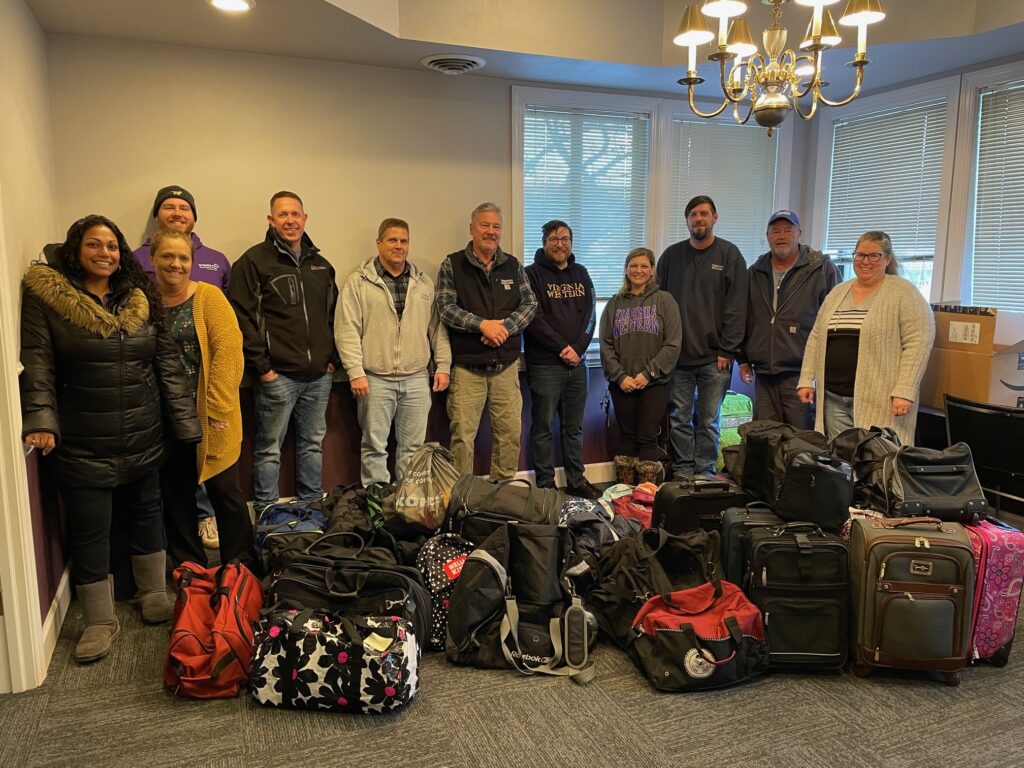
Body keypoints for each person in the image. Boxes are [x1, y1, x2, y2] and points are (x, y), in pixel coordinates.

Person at [20, 214, 201, 663]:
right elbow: (37, 361)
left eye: (112, 246)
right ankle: (100, 619)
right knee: (90, 530)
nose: (105, 253)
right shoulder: (48, 298)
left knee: (147, 513)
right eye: (94, 245)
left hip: (143, 431)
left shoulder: (139, 297)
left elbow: (167, 365)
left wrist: (186, 427)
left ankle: (153, 594)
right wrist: (40, 418)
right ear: (75, 250)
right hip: (83, 438)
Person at [150, 229, 256, 570]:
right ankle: (189, 567)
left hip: (212, 413)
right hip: (165, 415)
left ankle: (240, 566)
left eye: (183, 258)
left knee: (225, 492)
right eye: (168, 256)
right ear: (153, 259)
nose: (176, 264)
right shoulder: (145, 302)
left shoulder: (209, 297)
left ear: (192, 263)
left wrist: (214, 409)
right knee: (177, 494)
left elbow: (229, 352)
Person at [229, 191, 340, 511]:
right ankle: (265, 510)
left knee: (312, 445)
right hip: (277, 378)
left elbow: (336, 317)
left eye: (295, 214)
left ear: (305, 218)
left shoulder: (322, 265)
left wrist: (332, 360)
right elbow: (242, 318)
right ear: (271, 220)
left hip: (318, 377)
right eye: (282, 215)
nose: (290, 220)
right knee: (268, 448)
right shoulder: (253, 262)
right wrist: (263, 368)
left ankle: (310, 507)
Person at [134, 185, 229, 551]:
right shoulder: (135, 268)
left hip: (203, 398)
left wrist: (219, 402)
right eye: (169, 206)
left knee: (217, 481)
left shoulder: (215, 266)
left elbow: (227, 343)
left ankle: (226, 550)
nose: (175, 265)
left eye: (184, 207)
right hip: (157, 404)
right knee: (171, 485)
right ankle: (179, 557)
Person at [337, 218, 451, 487]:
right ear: (379, 243)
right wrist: (355, 372)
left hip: (416, 379)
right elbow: (346, 330)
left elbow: (437, 330)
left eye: (404, 241)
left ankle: (407, 508)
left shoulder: (423, 284)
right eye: (392, 240)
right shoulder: (359, 283)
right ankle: (378, 508)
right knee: (374, 448)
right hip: (374, 379)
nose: (398, 246)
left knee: (412, 450)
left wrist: (443, 366)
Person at [797, 231, 935, 444]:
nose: (865, 261)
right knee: (842, 459)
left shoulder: (904, 292)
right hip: (833, 397)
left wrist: (905, 391)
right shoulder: (838, 292)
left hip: (881, 399)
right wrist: (807, 378)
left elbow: (918, 343)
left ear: (887, 259)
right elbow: (816, 337)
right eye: (860, 255)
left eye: (874, 256)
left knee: (878, 461)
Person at [435, 203, 537, 479]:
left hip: (506, 367)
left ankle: (500, 497)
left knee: (509, 436)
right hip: (467, 369)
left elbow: (529, 305)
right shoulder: (452, 264)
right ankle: (463, 502)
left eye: (496, 226)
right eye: (485, 225)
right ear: (472, 228)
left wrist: (503, 329)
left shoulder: (513, 266)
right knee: (462, 441)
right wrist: (482, 325)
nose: (491, 231)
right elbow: (445, 307)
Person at [657, 195, 747, 480]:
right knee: (679, 419)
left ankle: (705, 472)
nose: (698, 219)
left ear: (714, 218)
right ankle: (683, 471)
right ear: (687, 220)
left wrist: (728, 350)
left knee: (708, 421)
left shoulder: (729, 255)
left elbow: (737, 307)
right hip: (678, 357)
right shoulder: (671, 257)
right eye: (693, 214)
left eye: (704, 213)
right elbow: (658, 304)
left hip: (715, 358)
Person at [738, 210, 840, 428]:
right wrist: (743, 358)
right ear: (767, 236)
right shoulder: (754, 273)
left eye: (788, 230)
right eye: (776, 231)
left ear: (799, 233)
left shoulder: (821, 270)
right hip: (764, 373)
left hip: (802, 374)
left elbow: (836, 320)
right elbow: (744, 317)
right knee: (765, 437)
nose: (781, 236)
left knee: (801, 440)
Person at [523, 219, 599, 498]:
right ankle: (544, 485)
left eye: (565, 238)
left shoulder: (581, 272)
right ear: (544, 242)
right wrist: (561, 348)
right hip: (545, 365)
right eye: (554, 239)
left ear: (571, 243)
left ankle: (576, 479)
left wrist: (578, 349)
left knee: (573, 428)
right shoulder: (530, 274)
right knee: (542, 428)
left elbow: (591, 314)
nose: (560, 244)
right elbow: (533, 318)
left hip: (578, 365)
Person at [600, 248, 682, 485]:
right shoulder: (614, 304)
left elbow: (673, 343)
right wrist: (619, 376)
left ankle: (646, 496)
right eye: (633, 265)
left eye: (644, 266)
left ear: (652, 270)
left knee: (647, 437)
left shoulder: (665, 301)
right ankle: (624, 493)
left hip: (654, 383)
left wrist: (649, 374)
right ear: (626, 270)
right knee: (626, 436)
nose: (638, 270)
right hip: (622, 383)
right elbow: (605, 343)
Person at [133, 185, 230, 291]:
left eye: (184, 209)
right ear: (156, 216)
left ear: (194, 218)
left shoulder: (217, 260)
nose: (177, 214)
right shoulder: (135, 259)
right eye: (169, 208)